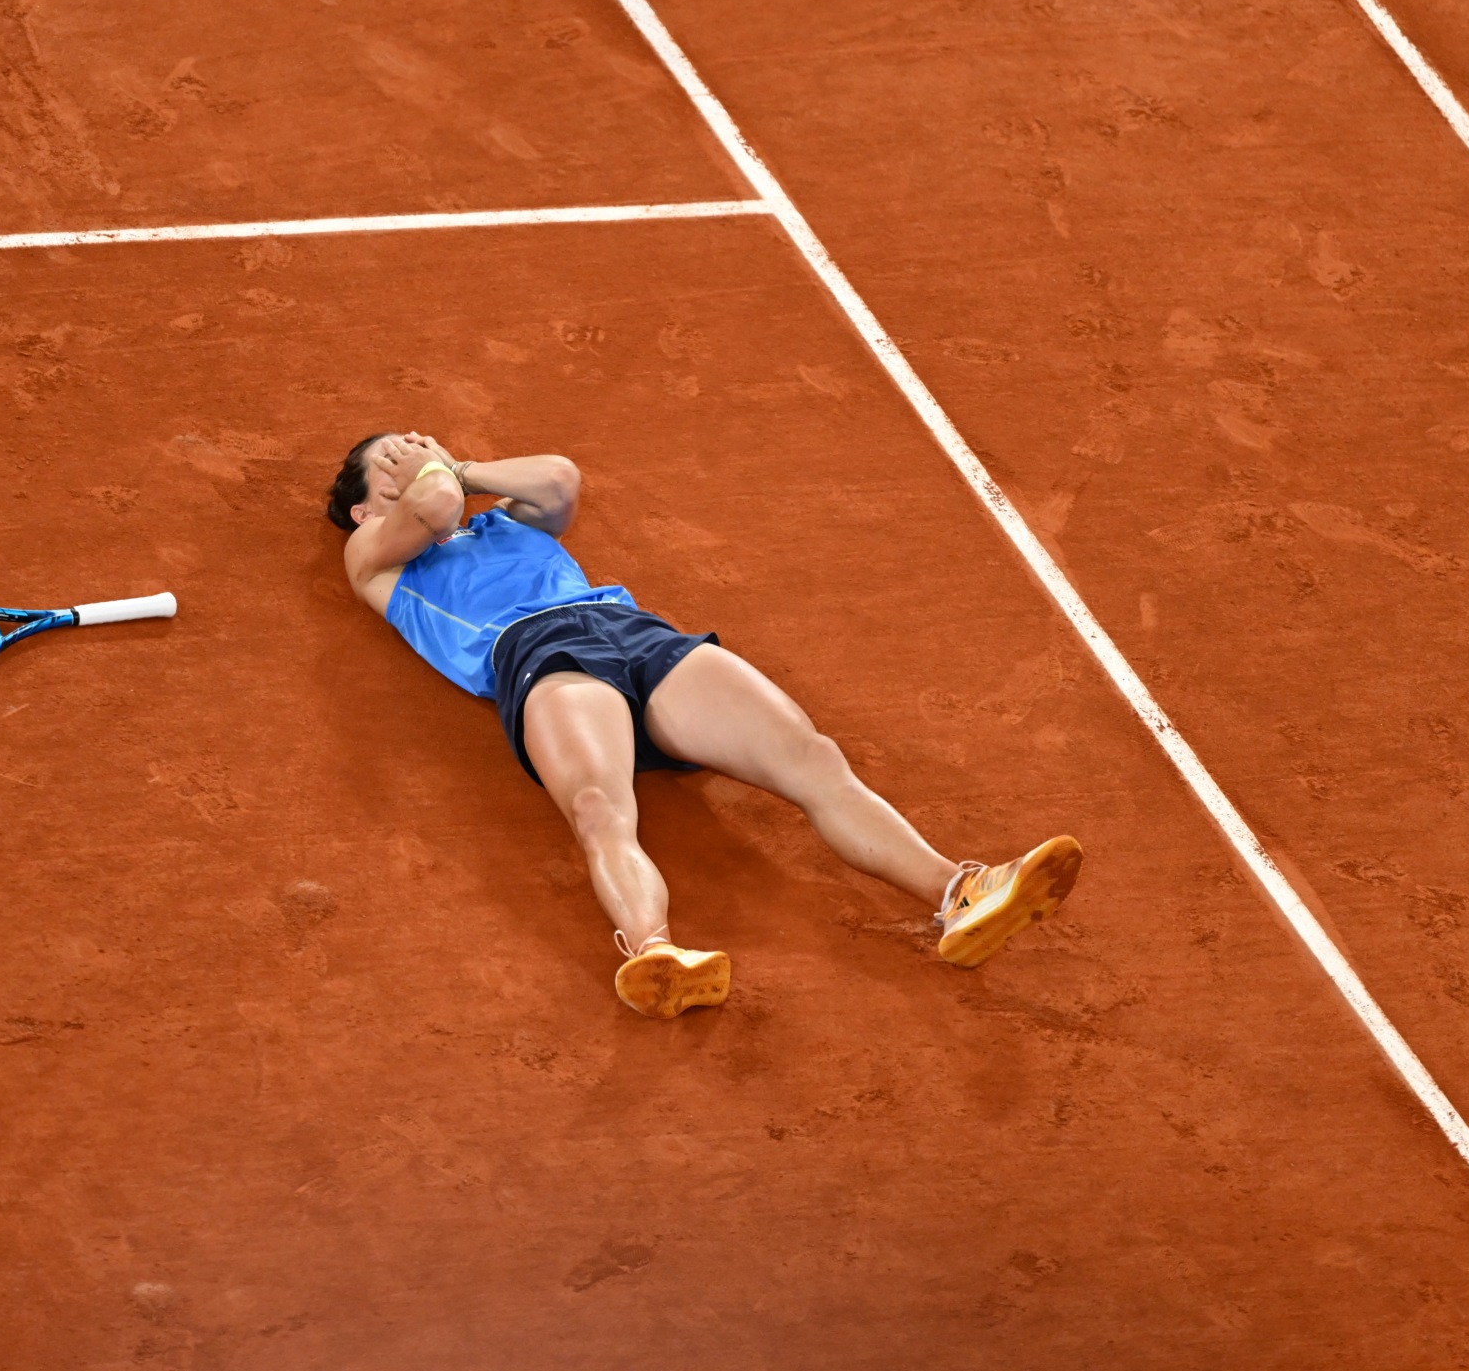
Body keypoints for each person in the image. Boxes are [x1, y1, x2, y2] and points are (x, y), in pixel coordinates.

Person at [329, 430, 1081, 1018]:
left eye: (413, 437)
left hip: (634, 633)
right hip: (541, 656)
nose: (411, 447)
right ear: (366, 508)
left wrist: (468, 466)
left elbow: (559, 480)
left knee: (810, 756)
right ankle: (655, 955)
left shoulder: (499, 520)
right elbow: (429, 508)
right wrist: (438, 474)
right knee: (599, 809)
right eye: (387, 455)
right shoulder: (375, 557)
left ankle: (958, 890)